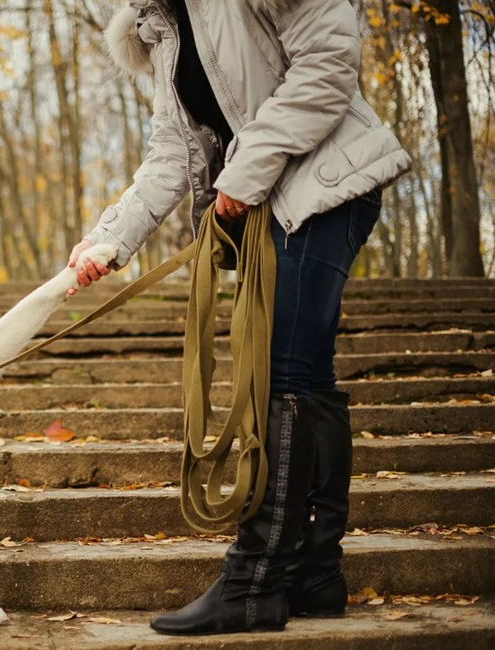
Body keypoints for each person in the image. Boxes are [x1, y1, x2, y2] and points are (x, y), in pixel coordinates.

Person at [67, 0, 411, 636]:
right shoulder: (160, 26)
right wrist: (111, 239)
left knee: (282, 373)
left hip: (327, 184)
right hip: (272, 200)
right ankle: (314, 574)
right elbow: (172, 151)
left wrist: (245, 170)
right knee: (307, 374)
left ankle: (256, 581)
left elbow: (329, 67)